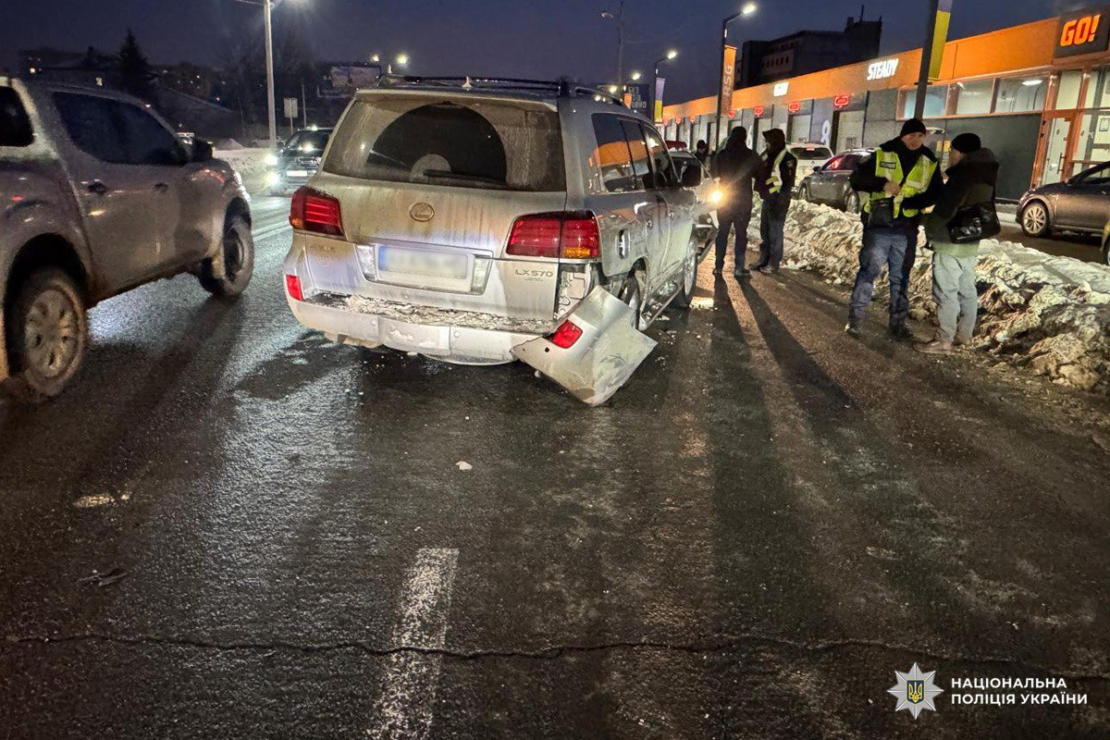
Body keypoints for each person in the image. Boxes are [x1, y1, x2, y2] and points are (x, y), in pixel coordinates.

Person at [846, 118, 942, 339]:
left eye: (920, 136)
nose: (916, 140)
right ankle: (855, 320)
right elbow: (857, 179)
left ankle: (897, 325)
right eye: (911, 135)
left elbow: (936, 192)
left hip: (906, 228)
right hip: (879, 226)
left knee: (901, 278)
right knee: (868, 273)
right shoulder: (883, 153)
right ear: (902, 135)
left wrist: (912, 203)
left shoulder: (929, 160)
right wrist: (882, 184)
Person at [917, 133, 999, 355]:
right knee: (966, 290)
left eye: (952, 150)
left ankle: (944, 341)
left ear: (960, 152)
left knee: (946, 292)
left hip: (949, 242)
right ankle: (964, 335)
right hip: (970, 241)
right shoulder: (986, 173)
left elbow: (946, 210)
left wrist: (928, 226)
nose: (950, 154)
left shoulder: (964, 174)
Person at [711, 127, 762, 277]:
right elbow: (760, 174)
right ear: (744, 138)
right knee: (741, 233)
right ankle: (739, 267)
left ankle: (718, 266)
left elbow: (713, 173)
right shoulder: (750, 155)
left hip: (725, 198)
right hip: (743, 199)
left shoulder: (722, 155)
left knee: (723, 231)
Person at [751, 128, 797, 274]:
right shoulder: (768, 155)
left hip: (779, 200)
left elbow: (788, 182)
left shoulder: (787, 158)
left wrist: (781, 199)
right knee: (765, 231)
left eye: (768, 141)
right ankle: (764, 259)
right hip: (768, 198)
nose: (766, 144)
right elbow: (757, 170)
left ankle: (773, 263)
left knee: (775, 233)